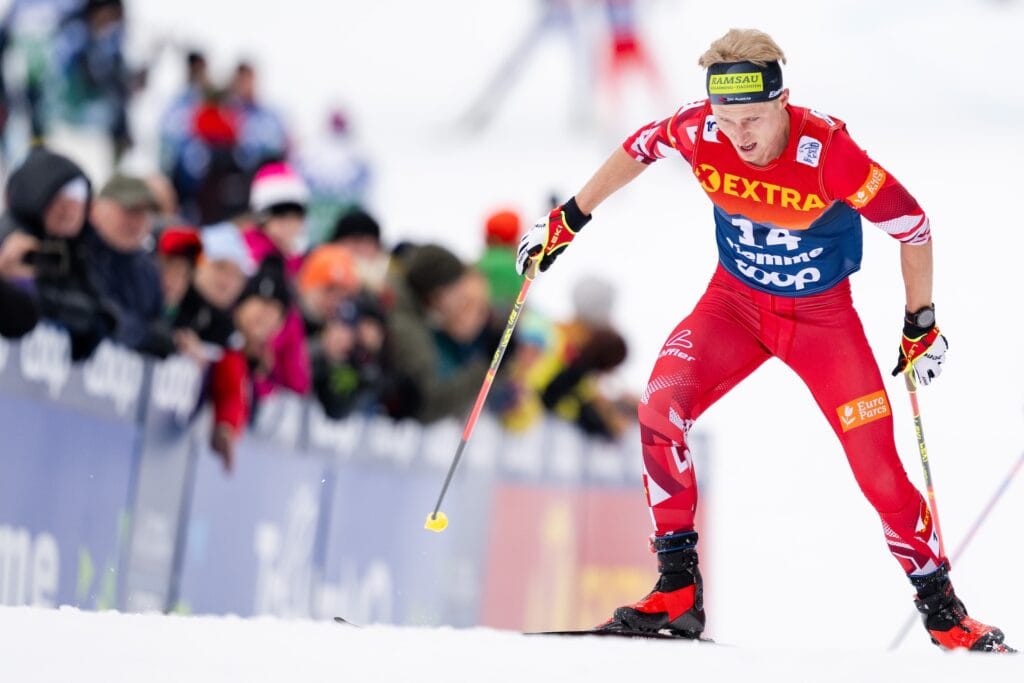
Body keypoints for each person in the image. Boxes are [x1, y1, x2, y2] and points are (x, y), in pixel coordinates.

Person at [514, 28, 1009, 652]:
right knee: (659, 411)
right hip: (734, 306)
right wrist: (570, 218)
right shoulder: (698, 130)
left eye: (752, 118)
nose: (739, 135)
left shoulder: (829, 152)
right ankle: (676, 590)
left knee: (879, 471)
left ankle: (944, 615)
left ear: (783, 102)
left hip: (822, 322)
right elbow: (637, 148)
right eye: (727, 119)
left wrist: (921, 322)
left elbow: (913, 226)